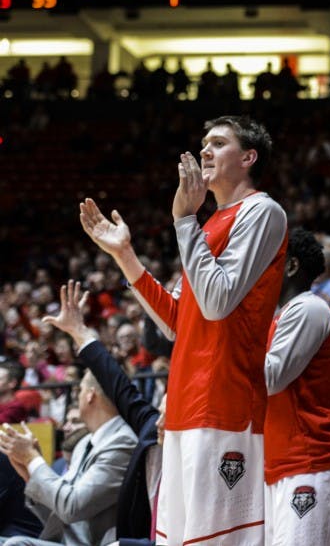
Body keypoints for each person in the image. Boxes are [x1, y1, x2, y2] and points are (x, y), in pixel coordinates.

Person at [79, 115, 287, 546]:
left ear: (249, 157)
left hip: (226, 403)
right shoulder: (207, 224)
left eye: (218, 143)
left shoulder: (261, 212)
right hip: (186, 403)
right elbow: (177, 320)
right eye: (203, 143)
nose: (205, 151)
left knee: (216, 539)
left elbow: (216, 301)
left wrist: (182, 221)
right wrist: (125, 254)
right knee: (178, 538)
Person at [42, 280, 163, 546]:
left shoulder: (206, 444)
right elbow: (119, 385)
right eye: (163, 405)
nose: (163, 414)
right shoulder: (152, 426)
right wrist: (79, 332)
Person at [263, 229, 330, 546]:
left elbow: (271, 378)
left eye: (266, 262)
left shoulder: (308, 309)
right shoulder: (278, 317)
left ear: (290, 267)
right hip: (280, 459)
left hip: (310, 457)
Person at [0, 371, 137, 546]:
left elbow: (72, 507)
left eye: (80, 390)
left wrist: (33, 460)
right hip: (65, 540)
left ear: (90, 395)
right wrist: (30, 474)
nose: (77, 396)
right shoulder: (85, 442)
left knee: (17, 545)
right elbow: (58, 513)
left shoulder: (123, 442)